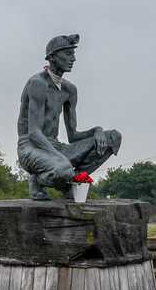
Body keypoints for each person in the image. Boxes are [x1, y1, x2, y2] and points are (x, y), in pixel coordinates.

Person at [16, 34, 122, 200]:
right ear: (52, 57)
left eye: (73, 54)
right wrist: (60, 158)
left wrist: (97, 131)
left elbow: (73, 136)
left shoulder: (70, 90)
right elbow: (34, 133)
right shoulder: (37, 83)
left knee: (113, 138)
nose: (73, 58)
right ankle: (38, 180)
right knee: (64, 168)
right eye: (67, 53)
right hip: (31, 147)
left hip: (55, 147)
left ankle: (70, 185)